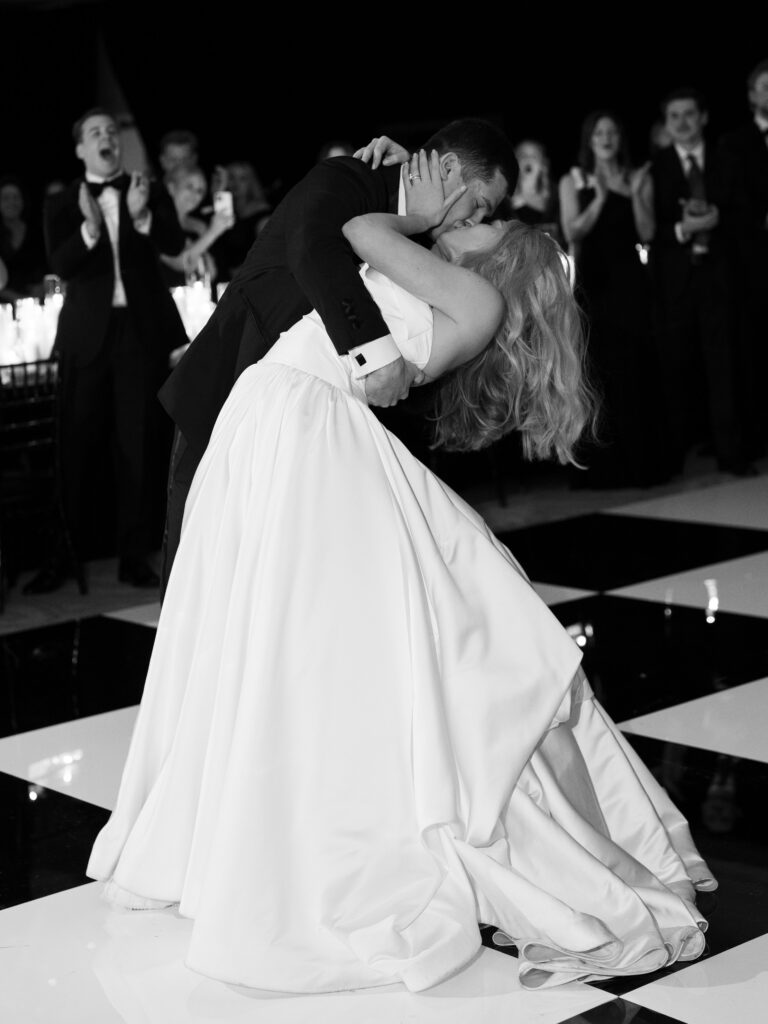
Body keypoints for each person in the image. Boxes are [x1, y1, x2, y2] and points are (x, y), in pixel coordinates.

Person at [87, 150, 715, 993]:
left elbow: (357, 228)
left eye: (485, 219)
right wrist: (413, 202)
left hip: (305, 429)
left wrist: (417, 209)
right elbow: (346, 241)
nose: (470, 216)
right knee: (294, 647)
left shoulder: (476, 297)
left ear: (502, 259)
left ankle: (605, 899)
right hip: (278, 421)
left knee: (389, 662)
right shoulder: (433, 288)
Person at [158, 118, 517, 598]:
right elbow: (314, 248)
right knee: (198, 558)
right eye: (480, 203)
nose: (474, 220)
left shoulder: (428, 244)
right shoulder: (352, 176)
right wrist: (377, 354)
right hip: (233, 376)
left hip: (310, 431)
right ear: (449, 166)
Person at [23, 107, 189, 594]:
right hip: (86, 336)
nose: (106, 137)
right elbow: (61, 263)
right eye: (95, 132)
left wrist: (139, 215)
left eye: (111, 131)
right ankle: (66, 555)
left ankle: (134, 556)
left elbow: (175, 244)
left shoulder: (148, 190)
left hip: (139, 334)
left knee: (138, 446)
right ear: (80, 149)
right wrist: (91, 228)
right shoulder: (61, 203)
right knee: (75, 446)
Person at [648, 87, 754, 477]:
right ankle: (679, 454)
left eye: (689, 114)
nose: (682, 122)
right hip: (676, 284)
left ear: (703, 117)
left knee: (726, 366)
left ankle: (732, 453)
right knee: (678, 368)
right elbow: (648, 228)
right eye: (674, 116)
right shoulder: (655, 167)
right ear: (667, 122)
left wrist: (717, 216)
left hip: (723, 279)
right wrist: (681, 228)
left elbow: (748, 213)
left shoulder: (728, 159)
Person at [559, 110, 668, 487]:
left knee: (636, 371)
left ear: (620, 139)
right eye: (598, 133)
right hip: (594, 286)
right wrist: (600, 199)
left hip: (631, 285)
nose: (605, 138)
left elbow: (648, 231)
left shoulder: (636, 176)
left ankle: (644, 465)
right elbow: (571, 230)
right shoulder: (573, 180)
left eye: (612, 132)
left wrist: (634, 193)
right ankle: (608, 470)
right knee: (601, 374)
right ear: (589, 140)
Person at [719, 58, 768, 458]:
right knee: (754, 356)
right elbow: (731, 207)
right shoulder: (734, 144)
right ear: (752, 95)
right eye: (765, 86)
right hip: (754, 268)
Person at [159, 166, 234, 289]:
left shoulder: (198, 225)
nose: (195, 194)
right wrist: (213, 232)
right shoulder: (157, 223)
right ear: (171, 187)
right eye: (189, 187)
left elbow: (210, 272)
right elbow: (179, 263)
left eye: (200, 191)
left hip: (198, 299)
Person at [207, 160, 273, 282]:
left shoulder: (262, 213)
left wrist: (242, 271)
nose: (236, 183)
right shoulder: (225, 208)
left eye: (242, 178)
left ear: (251, 182)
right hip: (221, 280)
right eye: (231, 177)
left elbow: (268, 255)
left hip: (247, 282)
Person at [0, 175, 47, 303]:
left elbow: (47, 267)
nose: (11, 203)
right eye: (5, 198)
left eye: (16, 197)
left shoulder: (37, 232)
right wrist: (19, 299)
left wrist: (42, 287)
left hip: (36, 303)